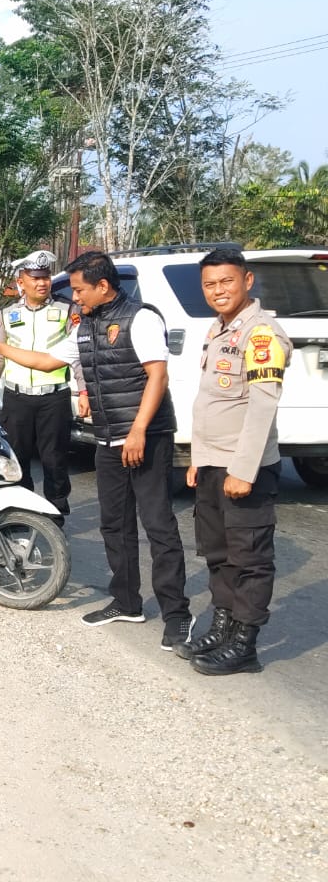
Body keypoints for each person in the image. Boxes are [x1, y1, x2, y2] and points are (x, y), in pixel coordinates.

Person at [0, 250, 193, 650]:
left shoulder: (140, 318)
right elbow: (46, 360)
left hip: (145, 437)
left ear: (103, 286)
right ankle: (126, 600)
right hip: (107, 438)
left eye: (79, 290)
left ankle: (177, 615)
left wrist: (139, 429)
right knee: (114, 524)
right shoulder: (86, 325)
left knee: (158, 525)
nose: (74, 297)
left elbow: (157, 376)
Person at [176, 248, 289, 675]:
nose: (218, 291)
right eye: (210, 284)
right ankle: (222, 627)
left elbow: (262, 406)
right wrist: (199, 460)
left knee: (250, 559)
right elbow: (213, 403)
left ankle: (245, 643)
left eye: (226, 281)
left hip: (245, 469)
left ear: (247, 280)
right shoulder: (219, 329)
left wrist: (244, 469)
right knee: (219, 555)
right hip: (213, 465)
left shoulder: (260, 335)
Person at [0, 249, 85, 521]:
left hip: (54, 399)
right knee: (17, 459)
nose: (42, 282)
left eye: (46, 276)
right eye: (35, 277)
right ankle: (24, 513)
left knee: (55, 460)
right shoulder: (8, 314)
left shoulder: (67, 310)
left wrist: (84, 390)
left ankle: (57, 512)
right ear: (21, 281)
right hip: (17, 399)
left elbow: (78, 355)